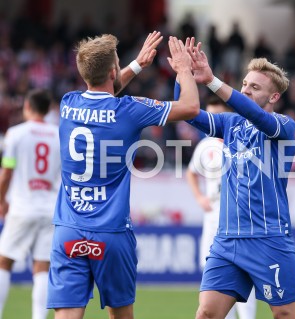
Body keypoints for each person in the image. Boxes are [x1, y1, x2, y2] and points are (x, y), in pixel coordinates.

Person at [46, 31, 199, 319]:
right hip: (111, 233)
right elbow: (190, 107)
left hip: (68, 229)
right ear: (114, 69)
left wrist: (137, 64)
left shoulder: (69, 104)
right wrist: (184, 70)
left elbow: (103, 90)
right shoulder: (129, 109)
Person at [177, 38, 295, 319]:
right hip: (227, 241)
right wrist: (183, 73)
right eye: (245, 84)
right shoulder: (231, 124)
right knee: (206, 314)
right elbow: (187, 111)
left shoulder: (283, 126)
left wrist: (211, 81)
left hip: (268, 239)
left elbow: (255, 115)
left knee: (286, 315)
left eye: (254, 87)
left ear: (274, 98)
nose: (245, 90)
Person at [186, 95, 257, 319]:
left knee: (245, 273)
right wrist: (199, 197)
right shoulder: (205, 146)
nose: (212, 122)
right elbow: (191, 172)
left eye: (217, 116)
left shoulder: (243, 141)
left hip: (240, 220)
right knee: (213, 275)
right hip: (214, 218)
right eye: (209, 116)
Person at [0, 89, 59, 319]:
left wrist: (1, 200)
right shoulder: (58, 135)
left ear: (27, 106)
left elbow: (7, 172)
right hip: (49, 208)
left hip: (22, 206)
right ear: (47, 109)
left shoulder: (16, 134)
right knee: (42, 267)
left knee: (4, 261)